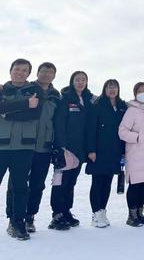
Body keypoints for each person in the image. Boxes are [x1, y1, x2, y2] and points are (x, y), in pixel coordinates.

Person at [6, 62, 60, 234]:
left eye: (50, 72)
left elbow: (57, 121)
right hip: (24, 144)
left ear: (54, 76)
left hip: (43, 146)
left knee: (37, 184)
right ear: (36, 73)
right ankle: (13, 218)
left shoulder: (55, 95)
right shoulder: (28, 89)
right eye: (43, 71)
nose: (46, 75)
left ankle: (29, 217)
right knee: (16, 184)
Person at [0, 59, 43, 240]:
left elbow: (35, 113)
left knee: (20, 187)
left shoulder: (35, 90)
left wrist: (7, 112)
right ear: (10, 71)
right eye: (17, 69)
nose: (20, 72)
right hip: (1, 146)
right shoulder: (2, 90)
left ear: (28, 73)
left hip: (24, 147)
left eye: (24, 70)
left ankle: (17, 222)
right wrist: (25, 104)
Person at [49, 71, 93, 230]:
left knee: (71, 182)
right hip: (66, 149)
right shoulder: (66, 99)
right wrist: (61, 146)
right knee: (61, 182)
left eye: (83, 79)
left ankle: (66, 210)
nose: (80, 82)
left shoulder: (88, 99)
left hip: (80, 149)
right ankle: (56, 214)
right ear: (72, 82)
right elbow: (59, 123)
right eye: (77, 80)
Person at [86, 79, 127, 228]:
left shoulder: (122, 106)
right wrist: (91, 150)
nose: (112, 90)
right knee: (97, 182)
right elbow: (91, 129)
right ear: (104, 89)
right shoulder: (97, 105)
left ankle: (103, 210)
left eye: (114, 87)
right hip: (98, 150)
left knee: (108, 182)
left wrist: (123, 152)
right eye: (109, 87)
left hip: (114, 151)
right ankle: (95, 213)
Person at [118, 82, 144, 227]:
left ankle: (140, 212)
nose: (143, 93)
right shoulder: (131, 111)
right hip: (135, 153)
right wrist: (137, 138)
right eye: (140, 91)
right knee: (135, 184)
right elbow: (122, 131)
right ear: (135, 93)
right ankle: (132, 214)